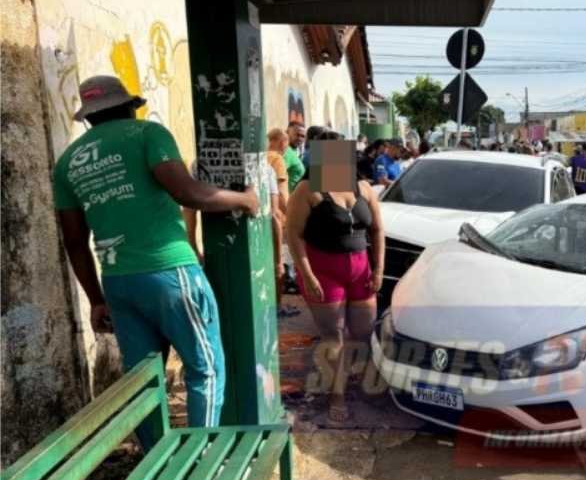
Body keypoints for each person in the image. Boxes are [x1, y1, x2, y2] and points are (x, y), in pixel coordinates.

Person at [53, 76, 259, 448]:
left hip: (118, 282)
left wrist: (96, 299)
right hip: (169, 272)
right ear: (131, 106)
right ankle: (199, 461)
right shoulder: (147, 134)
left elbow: (73, 240)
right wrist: (245, 201)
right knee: (205, 369)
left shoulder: (68, 162)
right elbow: (188, 192)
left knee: (144, 379)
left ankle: (155, 464)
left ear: (89, 118)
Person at [286, 164, 385, 421]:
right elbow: (293, 234)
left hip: (361, 270)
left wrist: (379, 268)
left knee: (363, 331)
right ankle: (337, 394)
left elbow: (377, 230)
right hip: (324, 272)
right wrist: (306, 274)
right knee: (334, 335)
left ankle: (356, 379)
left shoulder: (363, 188)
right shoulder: (308, 189)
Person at [284, 121, 307, 192]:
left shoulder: (295, 151)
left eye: (303, 136)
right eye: (297, 135)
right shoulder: (286, 152)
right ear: (287, 133)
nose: (300, 138)